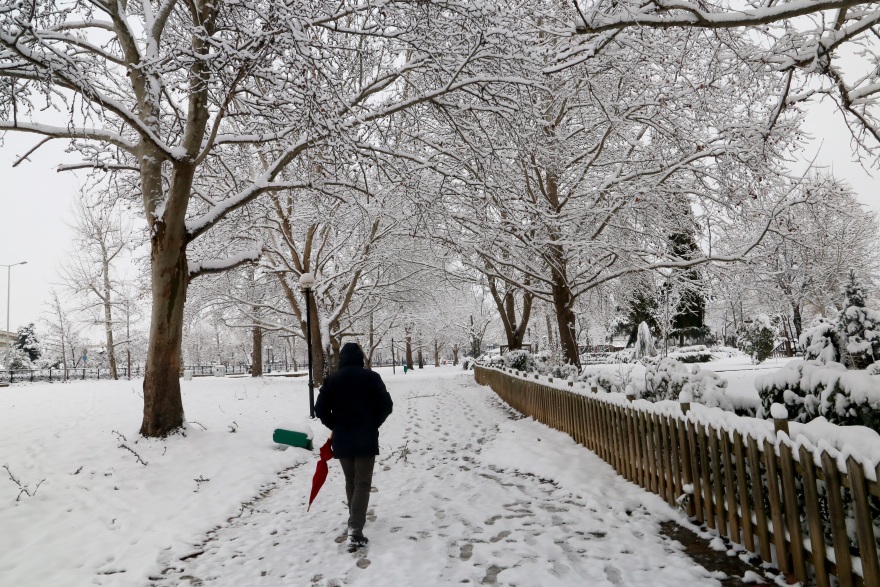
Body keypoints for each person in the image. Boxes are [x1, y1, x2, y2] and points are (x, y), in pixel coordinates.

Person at [314, 342, 393, 548]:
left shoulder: (332, 380)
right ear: (360, 358)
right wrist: (374, 422)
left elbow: (320, 408)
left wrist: (336, 425)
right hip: (365, 436)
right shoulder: (371, 378)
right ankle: (355, 530)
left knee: (351, 480)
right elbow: (387, 405)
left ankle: (354, 522)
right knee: (363, 483)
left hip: (342, 438)